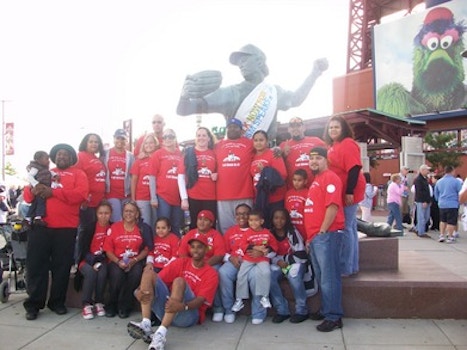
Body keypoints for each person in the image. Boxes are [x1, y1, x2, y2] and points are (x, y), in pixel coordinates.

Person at [177, 44, 328, 140]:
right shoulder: (231, 92)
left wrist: (315, 73)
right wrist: (184, 95)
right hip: (240, 157)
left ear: (259, 62)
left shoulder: (274, 92)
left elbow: (296, 99)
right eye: (238, 62)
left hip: (266, 155)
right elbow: (184, 110)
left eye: (244, 59)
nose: (240, 65)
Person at [23, 143, 89, 321]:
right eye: (59, 154)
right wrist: (33, 188)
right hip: (40, 227)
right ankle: (34, 304)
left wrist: (53, 192)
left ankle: (57, 302)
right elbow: (28, 197)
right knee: (36, 266)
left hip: (66, 228)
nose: (62, 157)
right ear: (53, 157)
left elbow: (80, 195)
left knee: (62, 267)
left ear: (71, 158)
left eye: (65, 154)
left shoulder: (79, 174)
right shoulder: (43, 171)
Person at [128, 234, 218, 350]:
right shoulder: (181, 262)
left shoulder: (211, 273)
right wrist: (138, 292)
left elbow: (201, 301)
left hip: (188, 315)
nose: (195, 250)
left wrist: (183, 306)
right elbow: (156, 280)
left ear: (206, 249)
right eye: (193, 247)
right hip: (168, 309)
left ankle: (160, 334)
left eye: (199, 247)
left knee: (179, 281)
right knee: (148, 272)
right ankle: (146, 324)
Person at [304, 146, 345, 332]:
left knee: (329, 279)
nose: (314, 161)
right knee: (322, 278)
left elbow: (333, 206)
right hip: (316, 238)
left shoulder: (330, 178)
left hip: (326, 236)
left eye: (318, 158)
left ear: (326, 160)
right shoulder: (317, 179)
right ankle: (326, 310)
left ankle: (334, 316)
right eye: (311, 158)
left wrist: (322, 231)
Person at [324, 115, 365, 277]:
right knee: (351, 229)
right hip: (341, 191)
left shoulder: (348, 144)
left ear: (343, 129)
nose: (333, 130)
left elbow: (354, 169)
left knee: (346, 228)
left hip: (349, 190)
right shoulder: (333, 145)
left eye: (336, 127)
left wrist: (349, 191)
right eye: (331, 127)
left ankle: (345, 267)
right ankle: (352, 265)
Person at [103, 201, 153, 318]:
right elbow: (108, 250)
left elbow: (146, 249)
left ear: (137, 214)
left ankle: (125, 306)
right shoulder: (114, 227)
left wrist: (135, 260)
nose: (128, 214)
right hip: (116, 260)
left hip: (135, 260)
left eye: (131, 211)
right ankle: (111, 305)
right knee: (116, 275)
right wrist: (118, 261)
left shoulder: (143, 228)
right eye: (126, 211)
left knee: (135, 274)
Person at [177, 210, 226, 322]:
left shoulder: (215, 235)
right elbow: (182, 253)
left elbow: (219, 255)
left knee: (214, 274)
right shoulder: (191, 233)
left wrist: (203, 265)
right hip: (192, 264)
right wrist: (192, 265)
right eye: (200, 219)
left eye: (206, 220)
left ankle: (218, 308)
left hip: (211, 264)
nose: (202, 222)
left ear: (211, 223)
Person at [231, 210, 278, 324]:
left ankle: (264, 297)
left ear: (261, 221)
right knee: (241, 275)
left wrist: (267, 250)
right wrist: (255, 247)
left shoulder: (267, 232)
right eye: (250, 220)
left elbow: (274, 246)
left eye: (256, 220)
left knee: (266, 273)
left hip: (262, 259)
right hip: (248, 259)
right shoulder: (247, 233)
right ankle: (239, 299)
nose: (253, 223)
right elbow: (242, 245)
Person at [269, 208, 310, 324]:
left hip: (295, 263)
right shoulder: (269, 234)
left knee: (293, 275)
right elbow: (267, 254)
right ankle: (282, 310)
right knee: (269, 276)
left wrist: (284, 260)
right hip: (278, 264)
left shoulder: (292, 232)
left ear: (287, 220)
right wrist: (278, 261)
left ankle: (302, 310)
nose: (279, 221)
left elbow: (301, 254)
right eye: (276, 218)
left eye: (282, 218)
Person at [218, 203, 257, 324]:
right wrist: (231, 258)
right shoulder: (230, 231)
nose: (242, 217)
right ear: (235, 216)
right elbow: (222, 251)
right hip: (234, 262)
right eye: (239, 214)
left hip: (252, 262)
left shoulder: (255, 230)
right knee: (223, 273)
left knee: (257, 276)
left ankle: (258, 312)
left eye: (245, 214)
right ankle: (229, 310)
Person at [215, 118, 254, 233]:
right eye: (230, 127)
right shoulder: (217, 146)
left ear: (241, 130)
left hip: (245, 193)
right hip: (223, 195)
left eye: (235, 127)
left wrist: (278, 149)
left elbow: (264, 149)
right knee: (226, 229)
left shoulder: (250, 143)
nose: (232, 129)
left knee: (247, 226)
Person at [77, 200, 112, 320]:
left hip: (103, 260)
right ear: (96, 214)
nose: (103, 216)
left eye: (106, 213)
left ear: (111, 214)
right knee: (91, 273)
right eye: (100, 213)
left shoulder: (113, 227)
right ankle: (86, 304)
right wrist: (91, 262)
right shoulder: (89, 227)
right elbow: (82, 249)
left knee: (102, 271)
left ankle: (99, 302)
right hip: (87, 260)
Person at [178, 126, 218, 229]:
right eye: (198, 135)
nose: (201, 138)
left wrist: (217, 174)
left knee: (210, 226)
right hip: (193, 196)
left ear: (209, 138)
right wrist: (184, 199)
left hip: (211, 197)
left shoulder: (214, 153)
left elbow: (219, 170)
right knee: (194, 226)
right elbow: (181, 177)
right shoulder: (188, 153)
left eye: (204, 135)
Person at [150, 129, 184, 236]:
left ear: (175, 138)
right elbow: (152, 177)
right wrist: (153, 197)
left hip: (178, 197)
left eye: (171, 136)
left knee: (176, 225)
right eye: (165, 137)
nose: (168, 139)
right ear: (162, 140)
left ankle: (175, 249)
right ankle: (162, 249)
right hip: (163, 196)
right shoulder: (157, 154)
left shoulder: (181, 153)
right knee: (163, 224)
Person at [251, 130, 287, 228]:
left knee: (275, 227)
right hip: (259, 199)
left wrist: (266, 171)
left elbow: (282, 175)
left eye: (261, 140)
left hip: (274, 199)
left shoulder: (274, 154)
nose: (258, 143)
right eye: (256, 140)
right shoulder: (253, 156)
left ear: (267, 141)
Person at [280, 116, 325, 188]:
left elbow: (329, 155)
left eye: (298, 126)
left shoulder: (316, 141)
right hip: (295, 190)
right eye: (292, 126)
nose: (295, 128)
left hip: (315, 187)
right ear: (288, 129)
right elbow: (277, 166)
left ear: (304, 128)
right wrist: (283, 155)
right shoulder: (283, 145)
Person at [75, 133, 106, 229]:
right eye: (91, 142)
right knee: (86, 231)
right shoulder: (80, 157)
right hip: (87, 202)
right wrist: (83, 198)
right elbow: (77, 178)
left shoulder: (97, 158)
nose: (94, 144)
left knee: (95, 230)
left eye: (96, 142)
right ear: (85, 143)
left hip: (98, 201)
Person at [104, 129, 135, 223]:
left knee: (128, 220)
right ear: (114, 139)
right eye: (118, 138)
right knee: (117, 219)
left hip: (126, 194)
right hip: (111, 193)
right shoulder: (105, 153)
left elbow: (133, 175)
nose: (120, 141)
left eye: (123, 139)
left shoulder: (130, 156)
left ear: (127, 141)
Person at [130, 133, 159, 229]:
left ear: (156, 144)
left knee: (156, 223)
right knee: (145, 224)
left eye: (151, 143)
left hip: (157, 197)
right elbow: (134, 181)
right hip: (142, 197)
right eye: (146, 143)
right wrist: (133, 199)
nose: (148, 145)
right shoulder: (139, 161)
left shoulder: (159, 159)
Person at [434, 166, 462, 243]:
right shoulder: (456, 182)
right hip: (452, 204)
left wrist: (438, 200)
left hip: (442, 204)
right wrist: (460, 202)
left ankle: (441, 235)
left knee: (443, 220)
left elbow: (436, 193)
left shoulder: (439, 182)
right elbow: (460, 192)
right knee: (451, 221)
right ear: (452, 171)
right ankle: (450, 236)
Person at [25, 150, 51, 226]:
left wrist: (55, 175)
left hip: (42, 187)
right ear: (38, 160)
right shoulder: (36, 168)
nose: (48, 161)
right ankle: (38, 217)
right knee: (40, 202)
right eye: (46, 159)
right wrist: (36, 184)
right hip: (40, 188)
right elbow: (29, 176)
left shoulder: (44, 168)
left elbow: (50, 173)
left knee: (36, 203)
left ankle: (28, 218)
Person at [284, 169, 309, 239]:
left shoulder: (308, 193)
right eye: (294, 180)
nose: (296, 183)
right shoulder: (288, 193)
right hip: (291, 227)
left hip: (303, 227)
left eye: (299, 180)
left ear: (305, 181)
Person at [413, 164, 432, 238]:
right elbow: (419, 192)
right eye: (427, 170)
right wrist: (424, 201)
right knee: (421, 217)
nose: (428, 171)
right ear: (422, 170)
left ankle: (417, 228)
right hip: (421, 201)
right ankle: (421, 232)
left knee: (426, 217)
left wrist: (428, 200)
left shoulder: (424, 179)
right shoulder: (418, 180)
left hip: (426, 200)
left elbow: (426, 191)